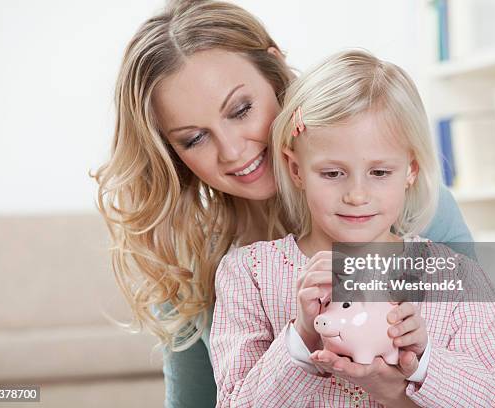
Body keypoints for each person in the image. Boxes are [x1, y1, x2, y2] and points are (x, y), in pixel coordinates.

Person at [92, 1, 473, 407]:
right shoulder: (195, 262)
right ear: (172, 154)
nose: (233, 150)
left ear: (275, 73)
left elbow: (482, 372)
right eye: (194, 138)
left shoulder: (410, 207)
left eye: (241, 110)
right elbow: (197, 401)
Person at [210, 50, 495, 407]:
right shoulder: (249, 274)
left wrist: (424, 362)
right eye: (332, 173)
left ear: (410, 170)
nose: (357, 195)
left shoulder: (456, 276)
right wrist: (302, 337)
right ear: (296, 169)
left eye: (380, 173)